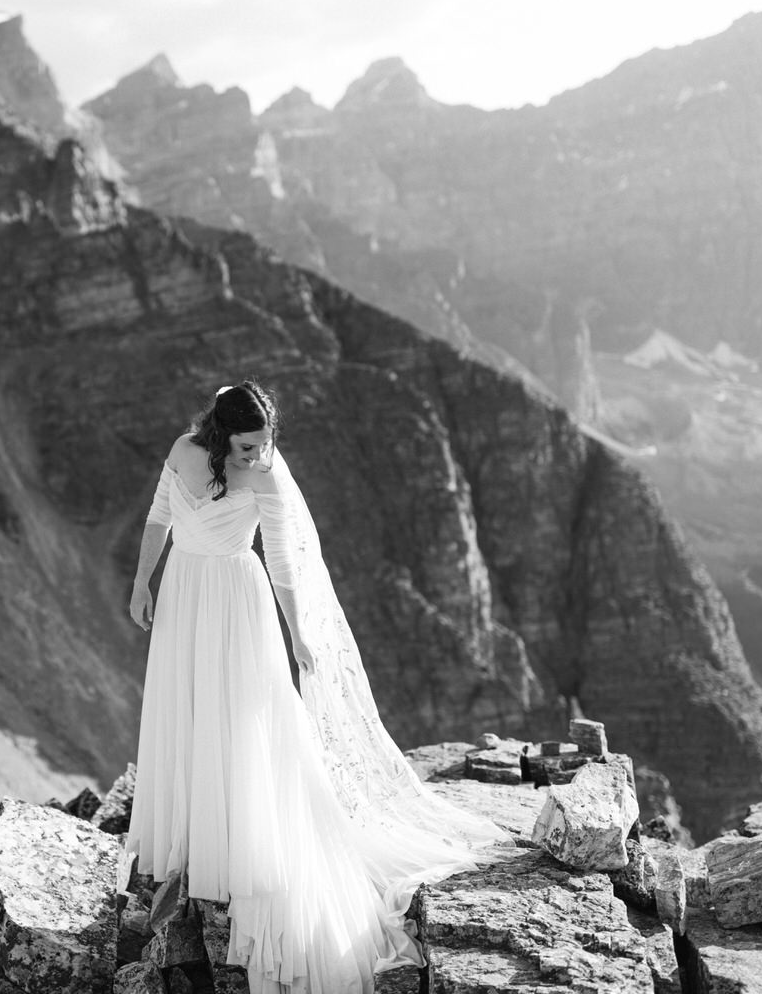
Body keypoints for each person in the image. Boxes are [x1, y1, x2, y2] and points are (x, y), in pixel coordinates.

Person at [125, 381, 509, 993]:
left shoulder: (268, 477)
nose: (256, 457)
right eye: (247, 447)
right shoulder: (183, 449)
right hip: (182, 595)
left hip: (235, 601)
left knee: (240, 719)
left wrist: (299, 632)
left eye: (263, 446)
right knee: (186, 709)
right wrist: (144, 582)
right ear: (221, 435)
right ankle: (189, 840)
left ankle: (237, 843)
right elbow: (158, 519)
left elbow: (280, 558)